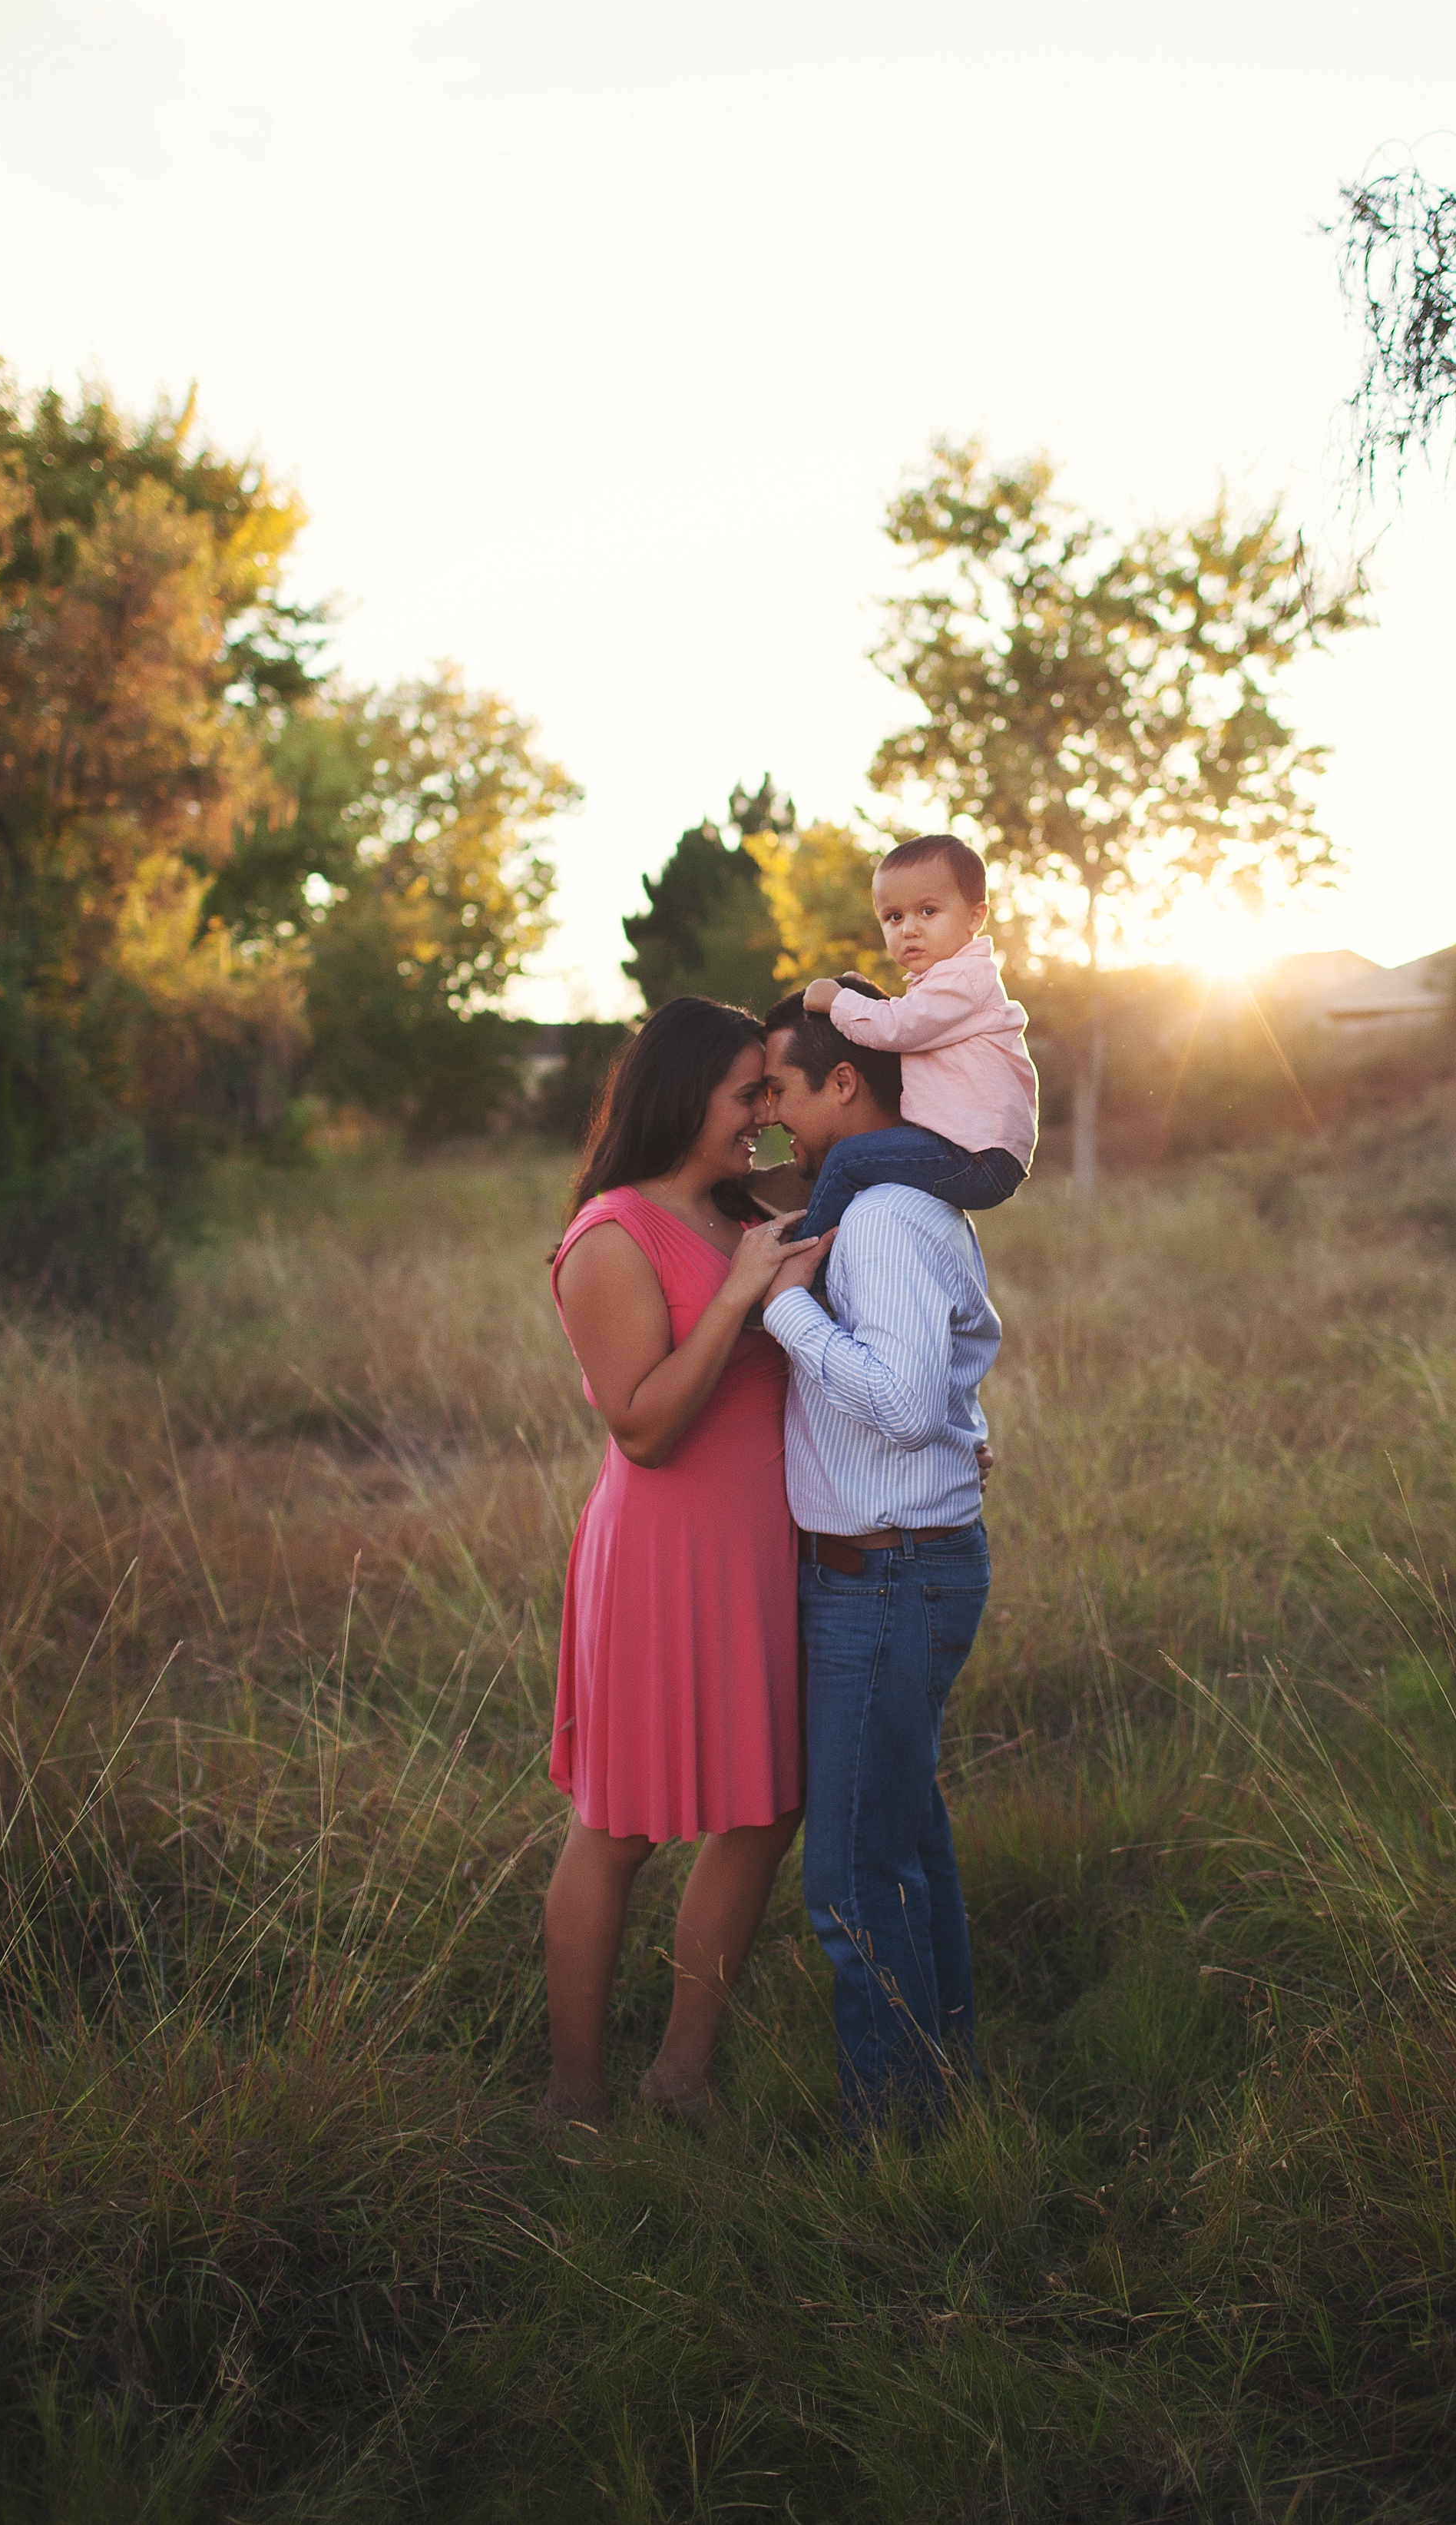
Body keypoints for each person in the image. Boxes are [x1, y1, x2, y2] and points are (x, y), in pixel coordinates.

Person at [541, 996, 829, 2131]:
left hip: (763, 1553)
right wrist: (740, 1299)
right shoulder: (611, 1234)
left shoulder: (747, 1210)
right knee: (617, 1825)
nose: (765, 1114)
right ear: (680, 1096)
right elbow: (645, 1428)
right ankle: (573, 2091)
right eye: (745, 1094)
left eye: (772, 1090)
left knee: (762, 1809)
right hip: (661, 1558)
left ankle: (681, 2068)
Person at [758, 985, 1001, 2136]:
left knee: (852, 1879)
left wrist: (786, 1315)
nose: (773, 1118)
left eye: (782, 1091)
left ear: (844, 1080)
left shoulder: (891, 1214)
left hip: (888, 1576)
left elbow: (903, 1404)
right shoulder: (891, 1204)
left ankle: (897, 2145)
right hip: (900, 1565)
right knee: (902, 1840)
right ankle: (944, 2089)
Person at [788, 832, 1037, 1244]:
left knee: (847, 1159)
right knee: (863, 1160)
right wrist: (859, 994)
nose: (909, 930)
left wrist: (838, 1002)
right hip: (970, 1148)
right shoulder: (942, 985)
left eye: (927, 911)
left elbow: (898, 1027)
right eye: (894, 917)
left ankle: (804, 1263)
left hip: (977, 1155)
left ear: (975, 918)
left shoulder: (965, 980)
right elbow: (911, 1020)